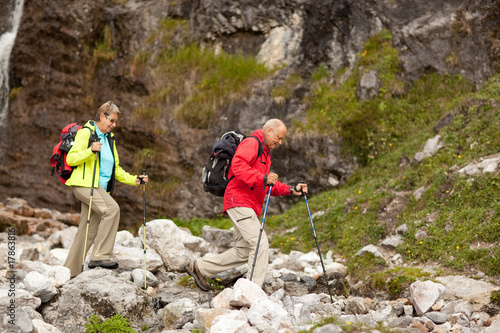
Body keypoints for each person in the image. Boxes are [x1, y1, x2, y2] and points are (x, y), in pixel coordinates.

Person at [185, 119, 307, 290]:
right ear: (269, 130)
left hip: (247, 204)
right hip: (239, 200)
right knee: (259, 244)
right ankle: (251, 291)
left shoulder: (265, 154)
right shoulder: (252, 143)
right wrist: (263, 178)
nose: (279, 142)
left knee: (244, 250)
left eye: (282, 140)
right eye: (279, 138)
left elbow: (268, 183)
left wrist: (292, 190)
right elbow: (238, 166)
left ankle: (200, 267)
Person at [63, 101, 149, 278]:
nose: (114, 125)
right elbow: (71, 159)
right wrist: (90, 150)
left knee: (87, 230)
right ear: (102, 116)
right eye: (112, 120)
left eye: (116, 122)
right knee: (112, 210)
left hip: (99, 189)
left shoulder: (110, 139)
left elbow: (116, 169)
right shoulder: (86, 133)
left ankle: (69, 272)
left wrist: (135, 180)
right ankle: (99, 256)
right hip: (84, 185)